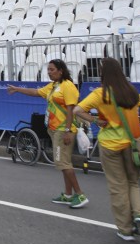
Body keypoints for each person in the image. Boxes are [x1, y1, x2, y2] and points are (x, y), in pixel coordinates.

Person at [74, 57, 140, 241]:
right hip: (132, 144)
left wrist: (95, 120)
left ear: (103, 73)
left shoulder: (101, 94)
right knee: (133, 182)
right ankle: (138, 214)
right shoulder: (131, 91)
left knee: (117, 186)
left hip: (109, 144)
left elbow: (77, 110)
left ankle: (125, 228)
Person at [7, 59, 88, 209]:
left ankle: (80, 194)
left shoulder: (68, 86)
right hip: (54, 129)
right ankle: (68, 194)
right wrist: (17, 89)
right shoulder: (53, 86)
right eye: (48, 69)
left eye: (52, 69)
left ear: (60, 71)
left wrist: (68, 131)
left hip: (63, 130)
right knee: (63, 163)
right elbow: (36, 92)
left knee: (63, 163)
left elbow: (71, 110)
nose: (49, 72)